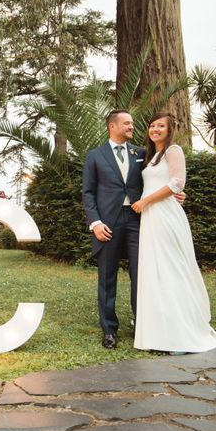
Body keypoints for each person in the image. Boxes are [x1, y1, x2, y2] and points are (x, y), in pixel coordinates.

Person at [131, 112, 216, 353]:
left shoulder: (174, 151)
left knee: (171, 267)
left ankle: (182, 333)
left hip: (164, 215)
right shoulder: (151, 157)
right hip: (151, 218)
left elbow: (176, 184)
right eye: (152, 125)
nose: (155, 129)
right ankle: (160, 331)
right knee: (155, 271)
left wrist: (146, 201)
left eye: (161, 126)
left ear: (170, 130)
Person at [82, 110, 145, 349]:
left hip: (138, 220)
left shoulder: (140, 153)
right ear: (112, 126)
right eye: (127, 123)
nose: (131, 126)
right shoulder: (95, 156)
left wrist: (176, 191)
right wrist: (95, 223)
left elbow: (155, 179)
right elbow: (87, 193)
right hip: (107, 223)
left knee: (141, 277)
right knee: (107, 279)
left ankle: (142, 326)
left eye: (132, 123)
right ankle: (109, 330)